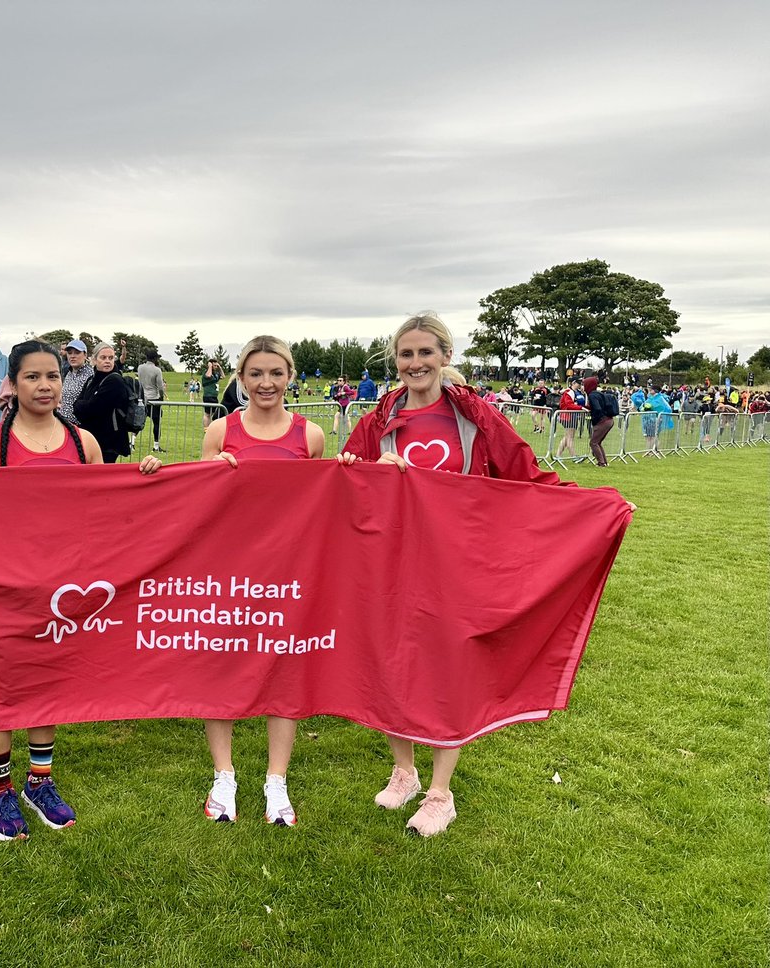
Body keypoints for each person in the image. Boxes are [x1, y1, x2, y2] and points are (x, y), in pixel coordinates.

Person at [342, 312, 585, 838]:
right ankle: (404, 771)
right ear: (395, 361)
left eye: (426, 353)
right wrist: (370, 472)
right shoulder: (379, 420)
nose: (415, 363)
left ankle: (440, 792)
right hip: (390, 564)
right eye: (406, 354)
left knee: (449, 670)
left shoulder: (473, 417)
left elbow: (524, 471)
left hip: (456, 566)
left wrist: (588, 506)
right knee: (389, 663)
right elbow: (345, 479)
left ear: (445, 357)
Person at [0, 339, 159, 841]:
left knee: (48, 684)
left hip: (62, 589)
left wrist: (147, 479)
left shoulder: (85, 443)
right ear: (13, 383)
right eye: (32, 377)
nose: (45, 385)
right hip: (5, 589)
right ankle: (0, 791)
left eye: (52, 376)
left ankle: (40, 781)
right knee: (1, 688)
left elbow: (107, 512)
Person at [199, 336, 326, 827]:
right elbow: (193, 504)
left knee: (285, 671)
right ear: (241, 377)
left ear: (290, 375)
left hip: (288, 573)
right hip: (227, 571)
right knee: (221, 669)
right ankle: (224, 775)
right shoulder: (219, 430)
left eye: (276, 372)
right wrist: (210, 471)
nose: (266, 383)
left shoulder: (310, 436)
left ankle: (277, 780)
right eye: (256, 373)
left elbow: (322, 505)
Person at [73, 342, 131, 462]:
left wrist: (82, 405)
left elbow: (93, 409)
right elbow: (78, 406)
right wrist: (82, 406)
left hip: (108, 442)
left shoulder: (115, 381)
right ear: (94, 360)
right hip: (92, 438)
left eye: (111, 358)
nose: (107, 361)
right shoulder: (91, 380)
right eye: (103, 357)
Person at [137, 348, 167, 451]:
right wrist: (162, 397)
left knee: (138, 421)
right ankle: (156, 445)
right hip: (154, 398)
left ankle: (131, 442)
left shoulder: (140, 368)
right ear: (155, 358)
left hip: (142, 398)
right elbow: (160, 386)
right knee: (157, 423)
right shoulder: (157, 370)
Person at [57, 338, 92, 426]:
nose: (72, 356)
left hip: (80, 426)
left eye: (77, 352)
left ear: (85, 355)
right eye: (70, 353)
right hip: (64, 423)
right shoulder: (69, 373)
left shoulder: (91, 375)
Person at [584, 376, 613, 467]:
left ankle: (601, 463)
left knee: (593, 442)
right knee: (598, 442)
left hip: (602, 421)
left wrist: (595, 420)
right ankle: (604, 461)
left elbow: (597, 408)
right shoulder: (598, 394)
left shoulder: (592, 395)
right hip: (609, 420)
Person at [555, 379, 586, 460]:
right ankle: (573, 456)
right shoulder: (569, 392)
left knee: (567, 437)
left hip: (573, 416)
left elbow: (582, 402)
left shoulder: (578, 392)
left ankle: (558, 455)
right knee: (570, 437)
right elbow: (569, 405)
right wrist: (581, 408)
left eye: (581, 384)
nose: (580, 385)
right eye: (578, 383)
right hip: (567, 416)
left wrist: (585, 394)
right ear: (573, 383)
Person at [201, 359, 224, 427]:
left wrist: (220, 367)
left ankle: (211, 428)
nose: (216, 366)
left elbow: (223, 376)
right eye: (215, 365)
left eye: (217, 365)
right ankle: (206, 429)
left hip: (214, 397)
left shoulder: (215, 374)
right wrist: (210, 366)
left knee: (214, 414)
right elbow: (208, 375)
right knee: (207, 414)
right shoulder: (206, 372)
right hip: (208, 396)